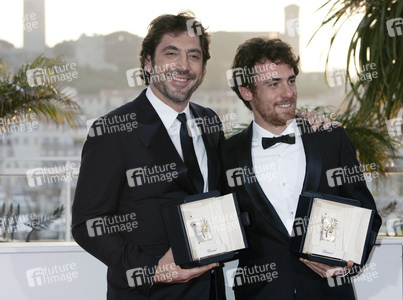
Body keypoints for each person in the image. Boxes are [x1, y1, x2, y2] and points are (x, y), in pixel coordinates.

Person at [72, 12, 226, 299]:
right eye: (171, 53)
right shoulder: (112, 130)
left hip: (209, 291)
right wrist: (152, 270)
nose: (183, 65)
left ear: (203, 68)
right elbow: (86, 224)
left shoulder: (210, 122)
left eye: (194, 56)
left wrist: (304, 125)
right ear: (147, 62)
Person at [220, 37, 382, 299]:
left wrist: (348, 262)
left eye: (291, 80)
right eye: (274, 84)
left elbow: (367, 213)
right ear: (246, 91)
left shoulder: (331, 138)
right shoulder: (227, 154)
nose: (288, 93)